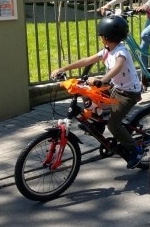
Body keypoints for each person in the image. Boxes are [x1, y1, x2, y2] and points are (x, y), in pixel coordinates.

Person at [50, 16, 145, 169]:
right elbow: (87, 60)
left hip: (128, 93)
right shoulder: (107, 51)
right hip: (114, 87)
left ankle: (136, 149)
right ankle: (98, 123)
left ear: (105, 37)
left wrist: (103, 79)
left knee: (114, 126)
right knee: (88, 92)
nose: (101, 38)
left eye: (101, 35)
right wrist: (64, 69)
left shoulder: (121, 52)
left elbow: (118, 67)